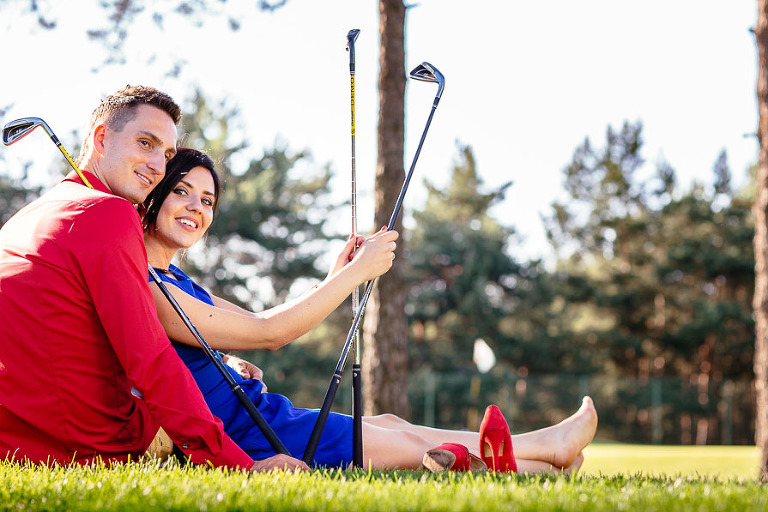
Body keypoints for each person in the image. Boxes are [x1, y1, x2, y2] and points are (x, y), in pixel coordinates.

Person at [142, 147, 599, 472]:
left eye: (207, 200)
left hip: (261, 413)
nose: (196, 208)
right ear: (154, 194)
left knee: (393, 423)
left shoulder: (175, 279)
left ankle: (541, 454)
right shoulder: (148, 283)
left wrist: (331, 276)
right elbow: (269, 332)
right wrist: (355, 275)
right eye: (182, 191)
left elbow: (247, 323)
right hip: (253, 435)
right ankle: (544, 454)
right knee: (403, 443)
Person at [0, 86, 306, 472]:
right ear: (100, 139)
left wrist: (219, 356)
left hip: (15, 441)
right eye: (145, 143)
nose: (157, 166)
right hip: (88, 445)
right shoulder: (107, 212)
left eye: (165, 154)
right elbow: (150, 360)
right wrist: (238, 466)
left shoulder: (24, 218)